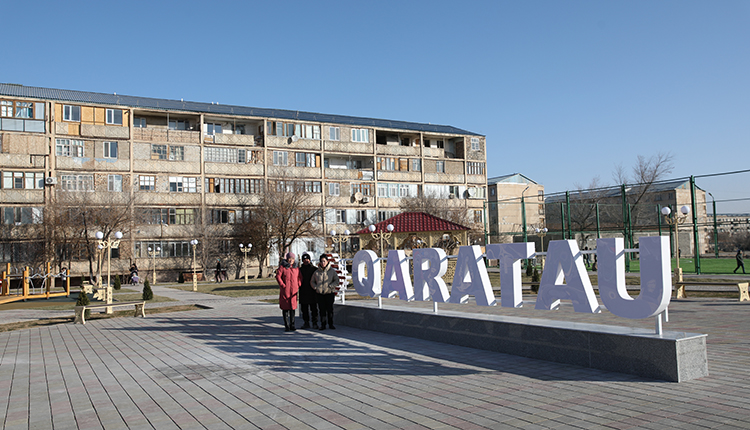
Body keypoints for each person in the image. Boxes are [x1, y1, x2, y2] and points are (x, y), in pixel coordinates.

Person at [311, 254, 339, 330]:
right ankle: (323, 324)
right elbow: (312, 281)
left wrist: (331, 286)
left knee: (329, 310)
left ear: (327, 262)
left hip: (329, 293)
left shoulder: (332, 271)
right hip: (320, 293)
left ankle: (331, 324)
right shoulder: (316, 272)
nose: (323, 263)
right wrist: (316, 287)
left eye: (324, 261)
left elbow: (336, 280)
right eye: (321, 261)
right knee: (322, 310)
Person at [276, 252, 301, 332]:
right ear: (287, 259)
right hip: (285, 291)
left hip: (293, 291)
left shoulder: (296, 268)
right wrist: (283, 285)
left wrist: (298, 284)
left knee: (292, 308)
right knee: (285, 308)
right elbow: (278, 276)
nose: (291, 260)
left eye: (292, 259)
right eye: (290, 258)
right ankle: (286, 325)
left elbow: (300, 277)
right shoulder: (282, 267)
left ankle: (292, 324)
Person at [298, 253, 319, 329]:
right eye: (304, 259)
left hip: (312, 291)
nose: (306, 261)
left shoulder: (314, 269)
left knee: (313, 308)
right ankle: (306, 322)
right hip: (303, 291)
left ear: (310, 260)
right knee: (304, 309)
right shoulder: (299, 270)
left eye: (307, 259)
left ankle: (315, 322)